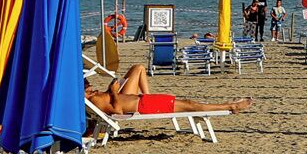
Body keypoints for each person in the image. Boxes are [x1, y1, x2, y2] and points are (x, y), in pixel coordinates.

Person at [86, 63, 251, 120]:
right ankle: (230, 106)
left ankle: (230, 105)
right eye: (87, 87)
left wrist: (112, 90)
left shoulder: (94, 97)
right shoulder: (94, 100)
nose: (91, 87)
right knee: (190, 105)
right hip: (143, 106)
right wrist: (113, 92)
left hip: (142, 100)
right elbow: (117, 112)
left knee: (188, 103)